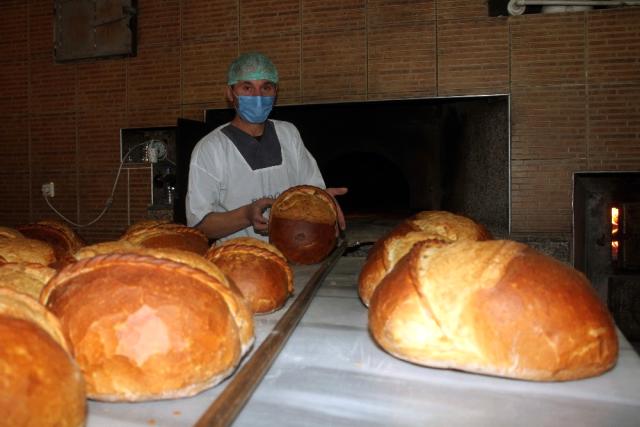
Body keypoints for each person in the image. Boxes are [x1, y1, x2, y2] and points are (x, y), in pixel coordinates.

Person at [185, 52, 347, 241]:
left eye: (266, 87)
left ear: (275, 92)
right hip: (239, 261)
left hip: (293, 256)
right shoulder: (210, 148)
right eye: (247, 87)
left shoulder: (288, 134)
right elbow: (199, 227)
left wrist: (321, 200)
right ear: (230, 93)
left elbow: (311, 190)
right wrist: (246, 215)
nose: (258, 96)